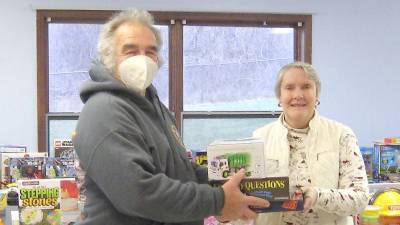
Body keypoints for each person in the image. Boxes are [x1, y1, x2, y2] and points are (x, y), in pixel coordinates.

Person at [73, 9, 269, 225]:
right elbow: (139, 194)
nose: (142, 59)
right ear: (108, 57)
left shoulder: (153, 106)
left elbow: (181, 171)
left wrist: (230, 181)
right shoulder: (105, 111)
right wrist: (219, 200)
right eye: (130, 51)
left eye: (150, 51)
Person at [252, 62, 369, 225]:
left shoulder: (341, 135)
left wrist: (318, 196)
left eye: (306, 86)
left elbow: (360, 198)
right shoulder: (259, 138)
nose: (298, 94)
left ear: (317, 94)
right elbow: (247, 202)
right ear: (279, 96)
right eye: (289, 87)